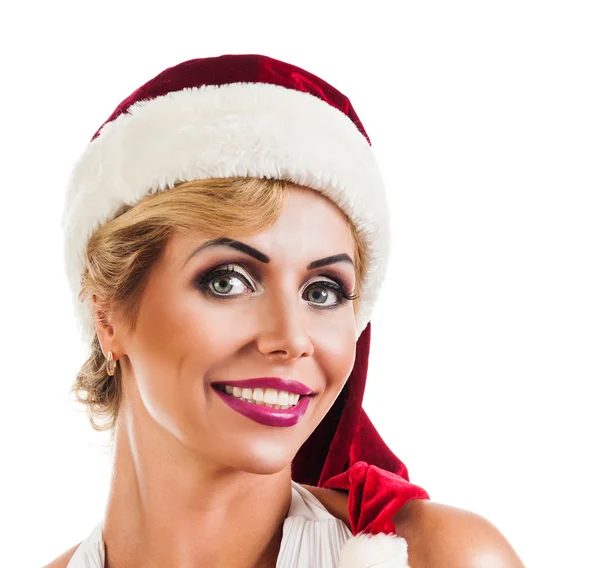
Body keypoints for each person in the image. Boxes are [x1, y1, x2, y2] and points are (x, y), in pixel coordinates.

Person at [45, 54, 524, 568]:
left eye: (322, 291)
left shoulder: (433, 557)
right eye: (227, 281)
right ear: (108, 314)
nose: (291, 337)